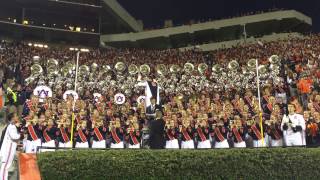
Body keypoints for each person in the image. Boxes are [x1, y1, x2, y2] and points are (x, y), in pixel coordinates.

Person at [0, 113, 21, 180]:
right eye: (16, 116)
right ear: (12, 118)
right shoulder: (11, 126)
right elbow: (14, 137)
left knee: (6, 166)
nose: (17, 117)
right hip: (8, 149)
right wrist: (21, 135)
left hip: (9, 148)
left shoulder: (11, 125)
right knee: (5, 166)